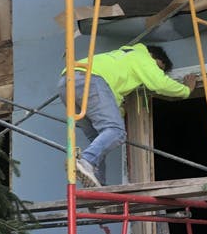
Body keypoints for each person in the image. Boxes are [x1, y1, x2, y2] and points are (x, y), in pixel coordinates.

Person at [63, 42, 197, 188]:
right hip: (91, 80)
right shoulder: (142, 56)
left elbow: (111, 98)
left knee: (99, 138)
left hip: (67, 82)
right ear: (155, 58)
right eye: (159, 69)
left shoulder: (121, 59)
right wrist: (186, 90)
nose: (157, 72)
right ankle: (85, 161)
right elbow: (160, 84)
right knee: (116, 131)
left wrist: (121, 111)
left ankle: (96, 184)